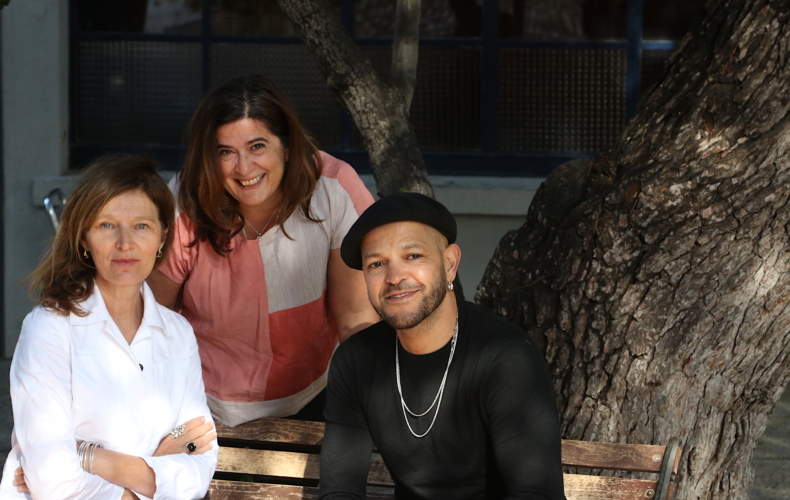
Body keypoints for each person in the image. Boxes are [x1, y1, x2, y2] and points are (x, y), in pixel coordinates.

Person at [146, 75, 379, 427]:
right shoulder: (185, 198)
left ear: (287, 145)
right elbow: (152, 317)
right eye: (226, 152)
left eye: (257, 146)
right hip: (201, 402)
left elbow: (355, 320)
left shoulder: (333, 187)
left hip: (314, 392)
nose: (243, 168)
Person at [319, 193, 567, 499]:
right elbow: (339, 490)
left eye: (413, 256)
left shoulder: (506, 357)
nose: (394, 277)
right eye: (377, 264)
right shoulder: (356, 361)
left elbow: (537, 493)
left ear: (449, 264)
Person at [0, 155, 218, 500]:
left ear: (164, 236)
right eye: (106, 225)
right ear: (83, 238)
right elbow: (54, 483)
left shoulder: (178, 333)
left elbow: (198, 448)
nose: (125, 243)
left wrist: (91, 456)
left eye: (142, 226)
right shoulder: (48, 329)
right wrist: (152, 473)